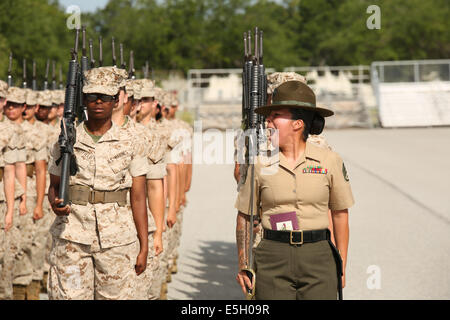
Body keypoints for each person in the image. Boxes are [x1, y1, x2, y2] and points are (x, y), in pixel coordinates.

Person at [235, 80, 354, 300]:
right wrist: (243, 264)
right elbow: (244, 215)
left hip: (318, 256)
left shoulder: (329, 160)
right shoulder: (260, 163)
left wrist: (342, 264)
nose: (268, 122)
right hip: (272, 257)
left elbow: (340, 214)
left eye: (275, 115)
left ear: (298, 124)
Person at [47, 66, 150, 300]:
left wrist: (144, 245)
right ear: (84, 99)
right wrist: (55, 203)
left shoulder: (132, 141)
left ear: (116, 100)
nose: (98, 102)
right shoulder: (66, 138)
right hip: (72, 237)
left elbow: (138, 196)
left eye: (105, 97)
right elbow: (53, 186)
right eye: (92, 96)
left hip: (117, 241)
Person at [0, 82, 27, 300]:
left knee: (5, 258)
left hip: (1, 199)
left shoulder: (10, 131)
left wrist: (11, 209)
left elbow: (10, 172)